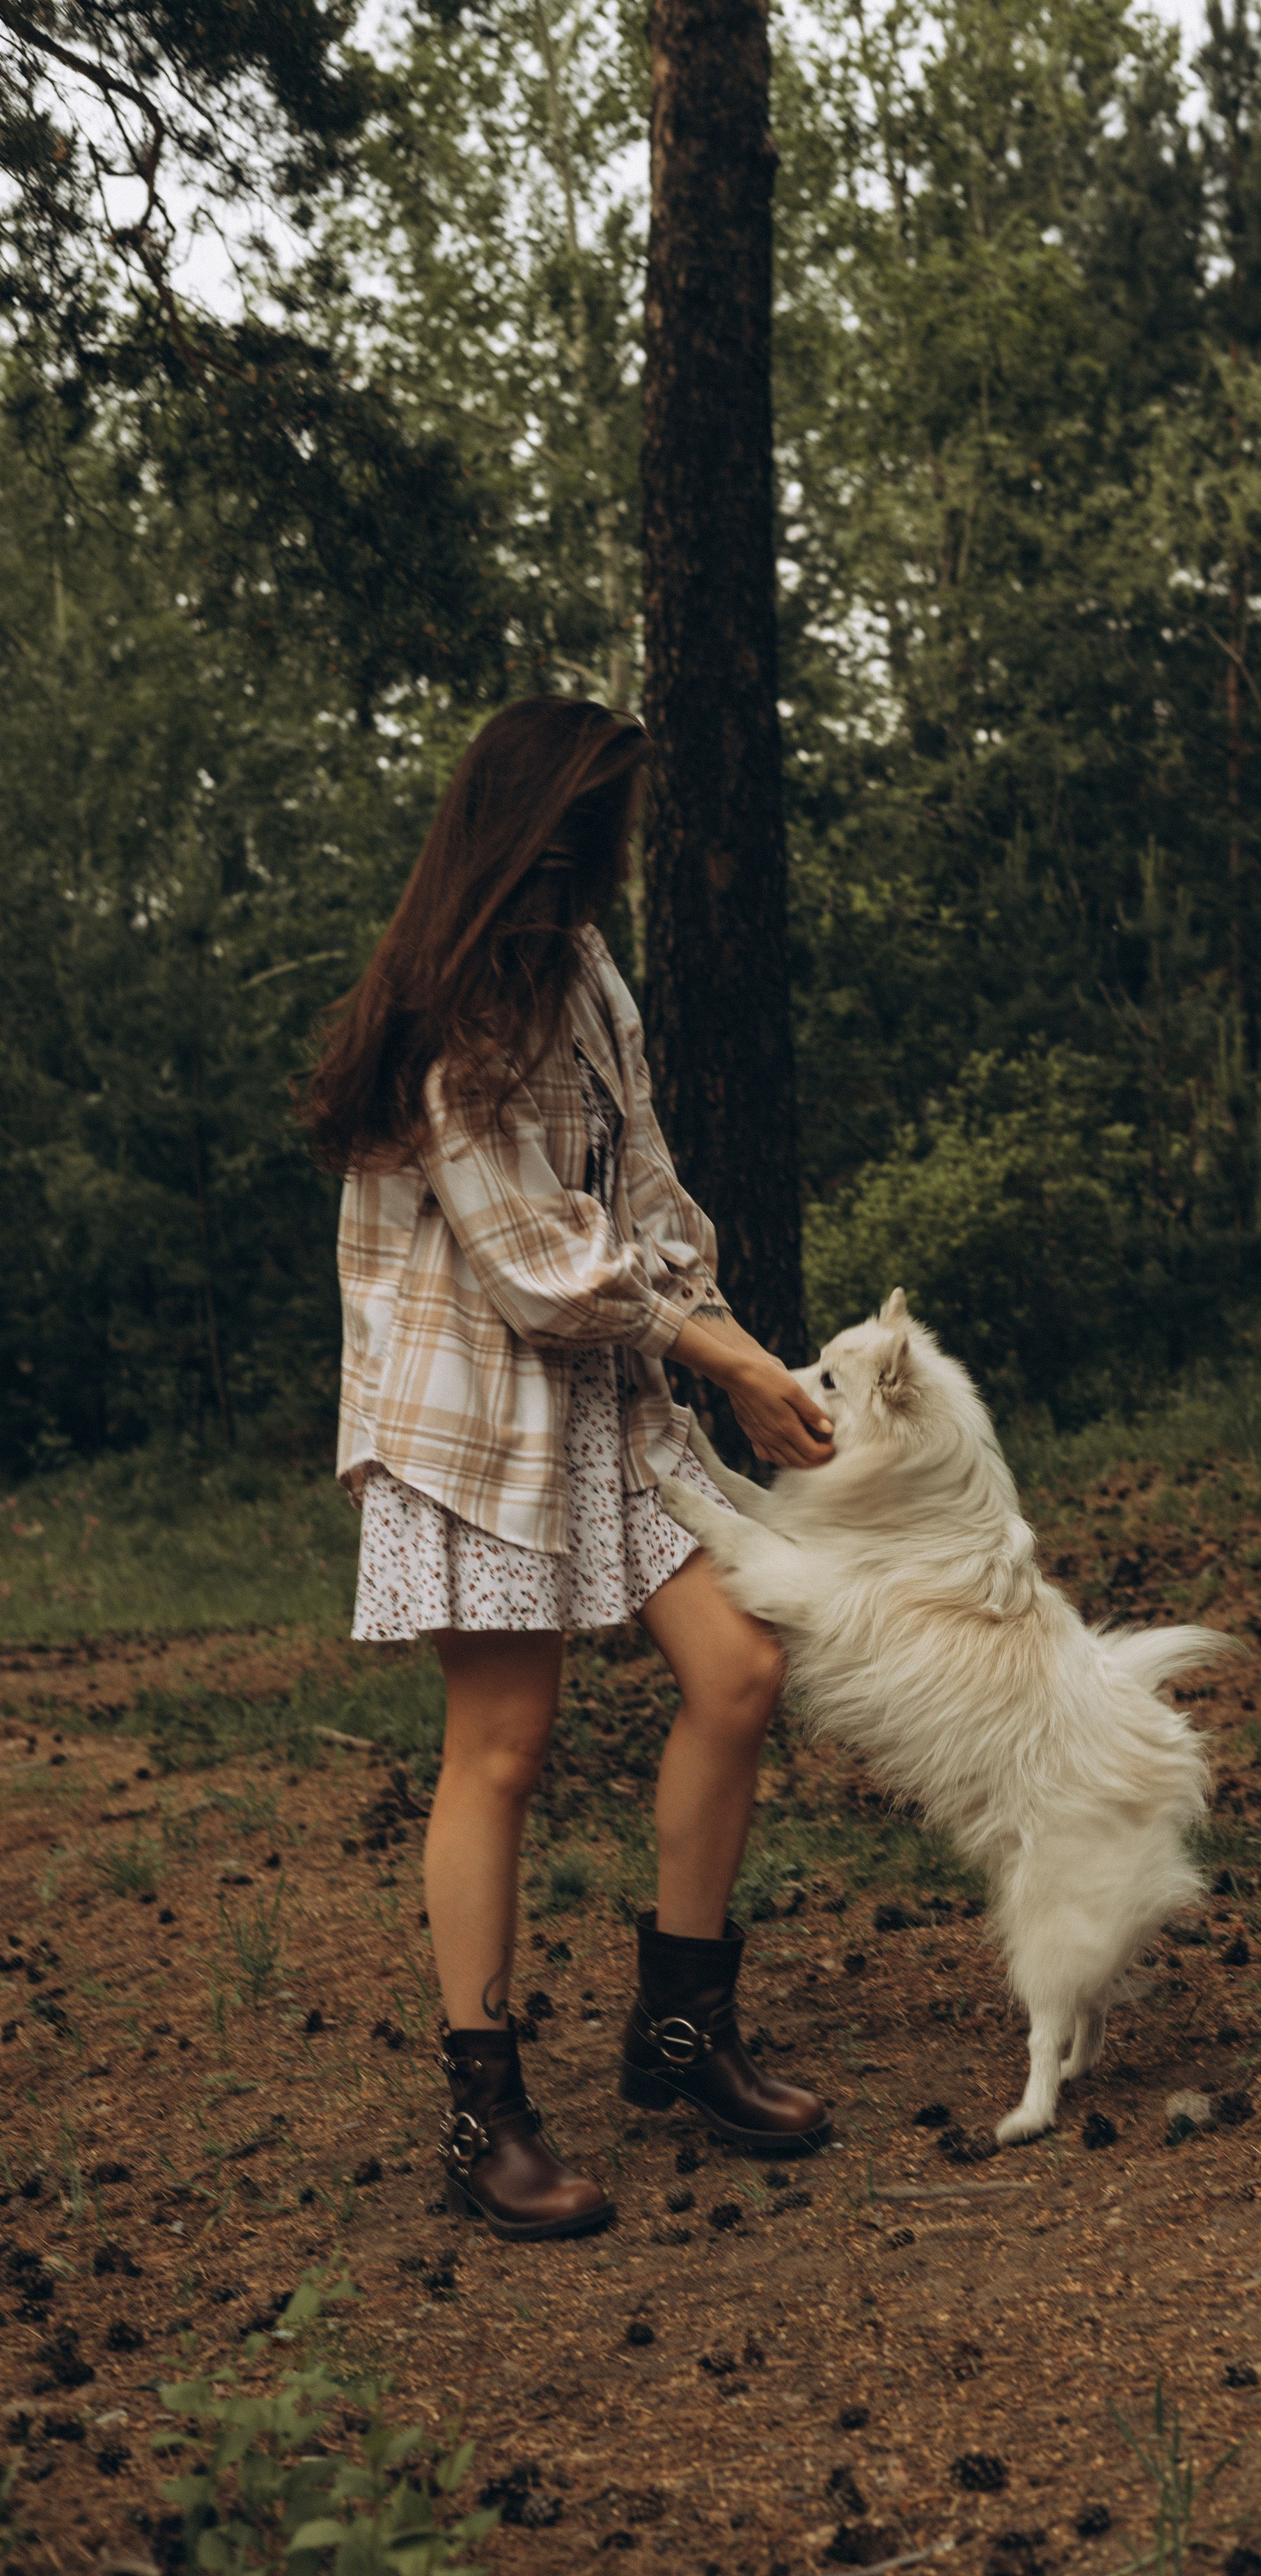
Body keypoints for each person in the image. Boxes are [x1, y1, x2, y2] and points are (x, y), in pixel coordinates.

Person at [304, 696, 836, 2242]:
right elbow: (538, 1266)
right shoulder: (448, 1012)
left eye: (611, 841)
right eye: (585, 835)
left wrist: (727, 1347)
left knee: (737, 1670)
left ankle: (680, 2031)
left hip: (607, 1402)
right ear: (519, 829)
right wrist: (723, 1358)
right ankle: (486, 2113)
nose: (600, 867)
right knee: (503, 1749)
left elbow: (646, 1186)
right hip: (474, 1414)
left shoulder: (587, 970)